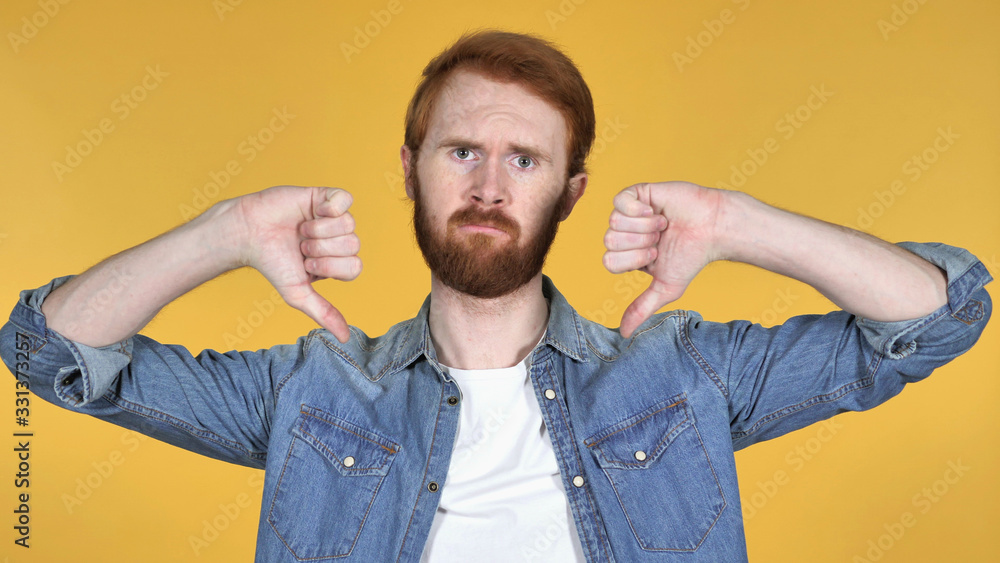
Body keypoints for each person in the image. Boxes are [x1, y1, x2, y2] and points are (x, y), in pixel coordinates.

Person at [0, 29, 991, 562]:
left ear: (570, 191)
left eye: (525, 159)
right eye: (461, 151)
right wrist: (222, 232)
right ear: (410, 169)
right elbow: (49, 352)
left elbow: (939, 315)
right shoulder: (312, 392)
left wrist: (740, 222)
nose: (486, 185)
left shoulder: (685, 374)